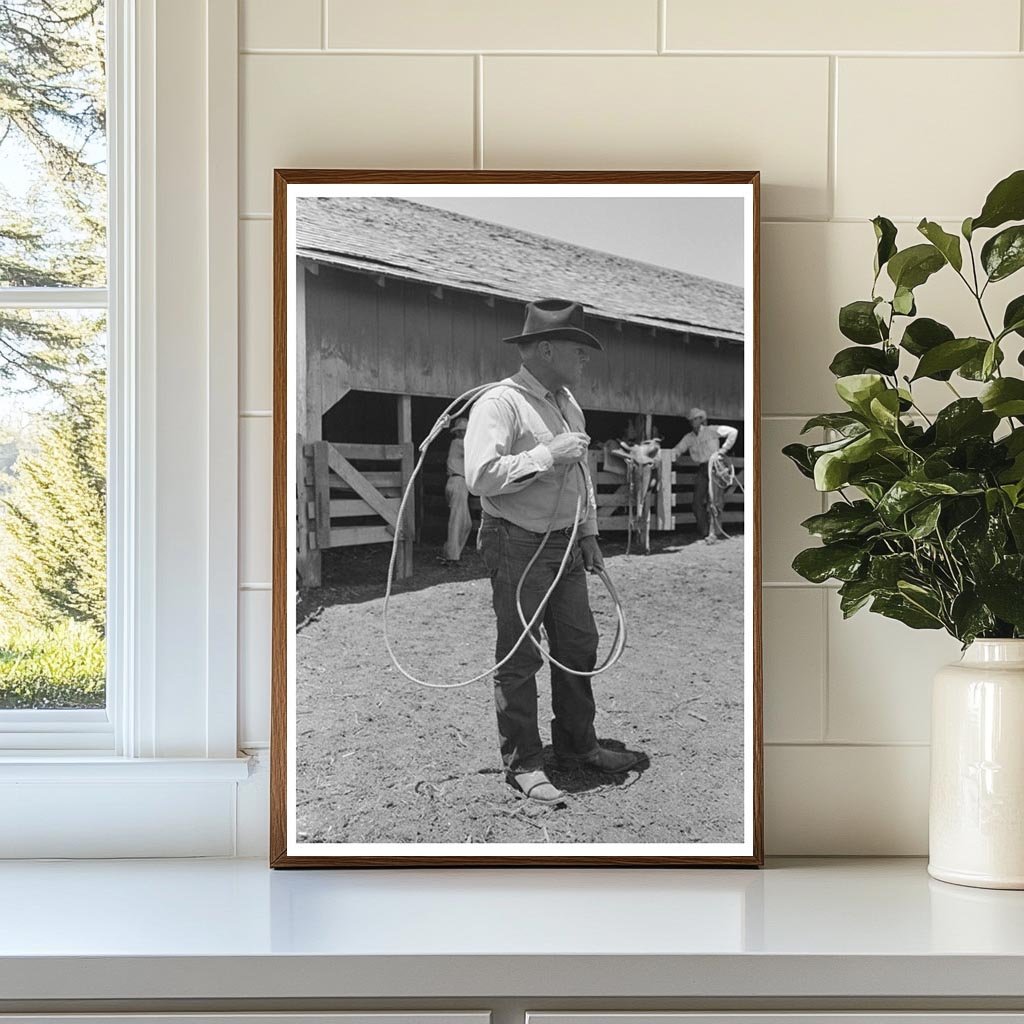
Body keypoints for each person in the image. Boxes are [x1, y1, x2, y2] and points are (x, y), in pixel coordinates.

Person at [464, 297, 644, 804]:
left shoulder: (567, 404)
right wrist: (547, 453)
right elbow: (480, 477)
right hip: (515, 539)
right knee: (520, 654)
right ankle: (523, 762)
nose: (586, 360)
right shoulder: (500, 403)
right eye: (578, 351)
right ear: (545, 350)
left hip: (565, 543)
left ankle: (577, 747)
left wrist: (587, 532)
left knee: (578, 645)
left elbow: (580, 475)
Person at [670, 408, 738, 542]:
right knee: (697, 502)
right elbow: (678, 449)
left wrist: (724, 449)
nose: (693, 422)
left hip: (715, 466)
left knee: (715, 500)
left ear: (701, 419)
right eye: (692, 420)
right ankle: (705, 531)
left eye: (696, 419)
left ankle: (714, 532)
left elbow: (733, 432)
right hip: (702, 468)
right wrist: (668, 455)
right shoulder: (688, 438)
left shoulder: (712, 430)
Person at [439, 417, 472, 565]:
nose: (464, 433)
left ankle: (449, 551)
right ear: (458, 432)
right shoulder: (459, 443)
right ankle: (452, 556)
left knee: (465, 522)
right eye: (462, 431)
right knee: (458, 521)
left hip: (459, 482)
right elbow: (476, 451)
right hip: (458, 482)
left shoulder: (459, 444)